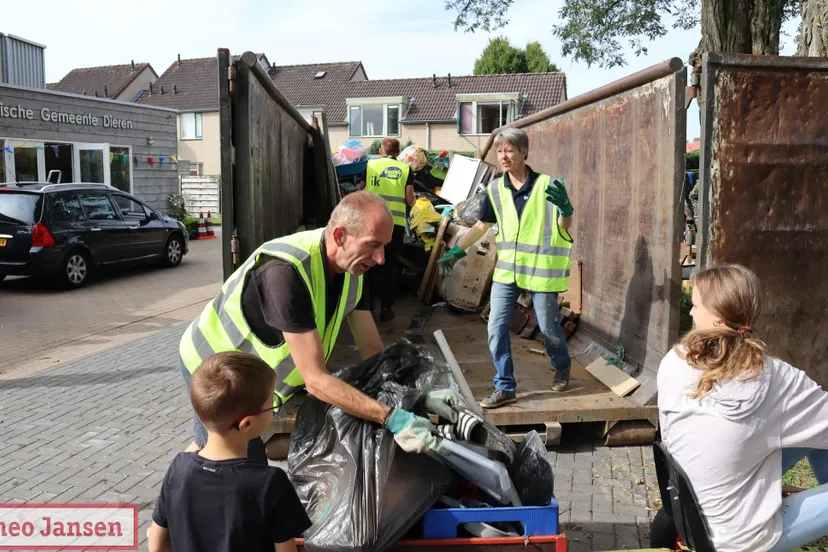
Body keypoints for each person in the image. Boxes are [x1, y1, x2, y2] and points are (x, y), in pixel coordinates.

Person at [178, 191, 465, 460]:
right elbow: (315, 380)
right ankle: (170, 507)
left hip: (252, 376)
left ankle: (184, 494)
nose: (380, 259)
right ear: (340, 235)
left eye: (384, 247)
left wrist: (414, 397)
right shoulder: (285, 272)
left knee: (240, 458)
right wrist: (390, 417)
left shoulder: (353, 268)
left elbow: (373, 353)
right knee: (220, 457)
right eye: (373, 245)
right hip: (213, 368)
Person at [657, 264, 828, 552]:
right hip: (741, 541)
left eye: (695, 305)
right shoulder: (778, 380)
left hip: (689, 507)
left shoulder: (674, 360)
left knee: (811, 438)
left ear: (718, 316)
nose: (690, 313)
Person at [437, 127, 574, 408]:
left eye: (509, 150)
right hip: (507, 272)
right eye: (500, 151)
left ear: (524, 152)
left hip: (540, 270)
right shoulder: (495, 189)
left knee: (548, 328)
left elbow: (563, 227)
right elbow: (480, 225)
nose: (503, 156)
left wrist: (566, 211)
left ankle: (562, 365)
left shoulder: (547, 185)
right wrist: (456, 250)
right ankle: (505, 385)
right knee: (496, 327)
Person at [149, 352, 312, 552]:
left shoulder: (178, 468)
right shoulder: (270, 483)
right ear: (247, 424)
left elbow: (157, 541)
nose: (275, 410)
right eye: (271, 404)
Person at [358, 137, 415, 321]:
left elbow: (361, 190)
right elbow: (409, 199)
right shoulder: (406, 169)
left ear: (381, 151)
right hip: (395, 225)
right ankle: (386, 309)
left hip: (371, 224)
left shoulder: (371, 166)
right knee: (390, 266)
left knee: (369, 264)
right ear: (398, 153)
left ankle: (367, 308)